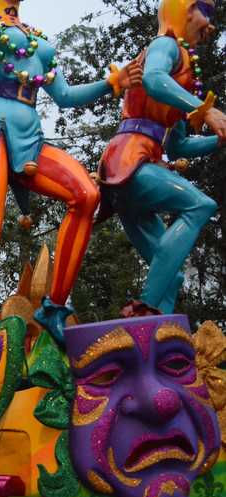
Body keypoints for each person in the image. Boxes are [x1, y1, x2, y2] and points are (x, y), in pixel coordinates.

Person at [0, 0, 141, 343]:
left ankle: (54, 306)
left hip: (30, 139)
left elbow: (66, 96)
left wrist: (112, 83)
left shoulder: (39, 43)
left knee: (87, 195)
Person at [99, 0, 225, 314]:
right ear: (183, 10)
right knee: (200, 205)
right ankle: (146, 309)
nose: (210, 25)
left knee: (170, 274)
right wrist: (205, 110)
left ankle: (160, 336)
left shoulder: (183, 79)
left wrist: (219, 139)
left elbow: (179, 147)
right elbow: (153, 79)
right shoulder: (165, 45)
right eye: (205, 12)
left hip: (139, 170)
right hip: (129, 159)